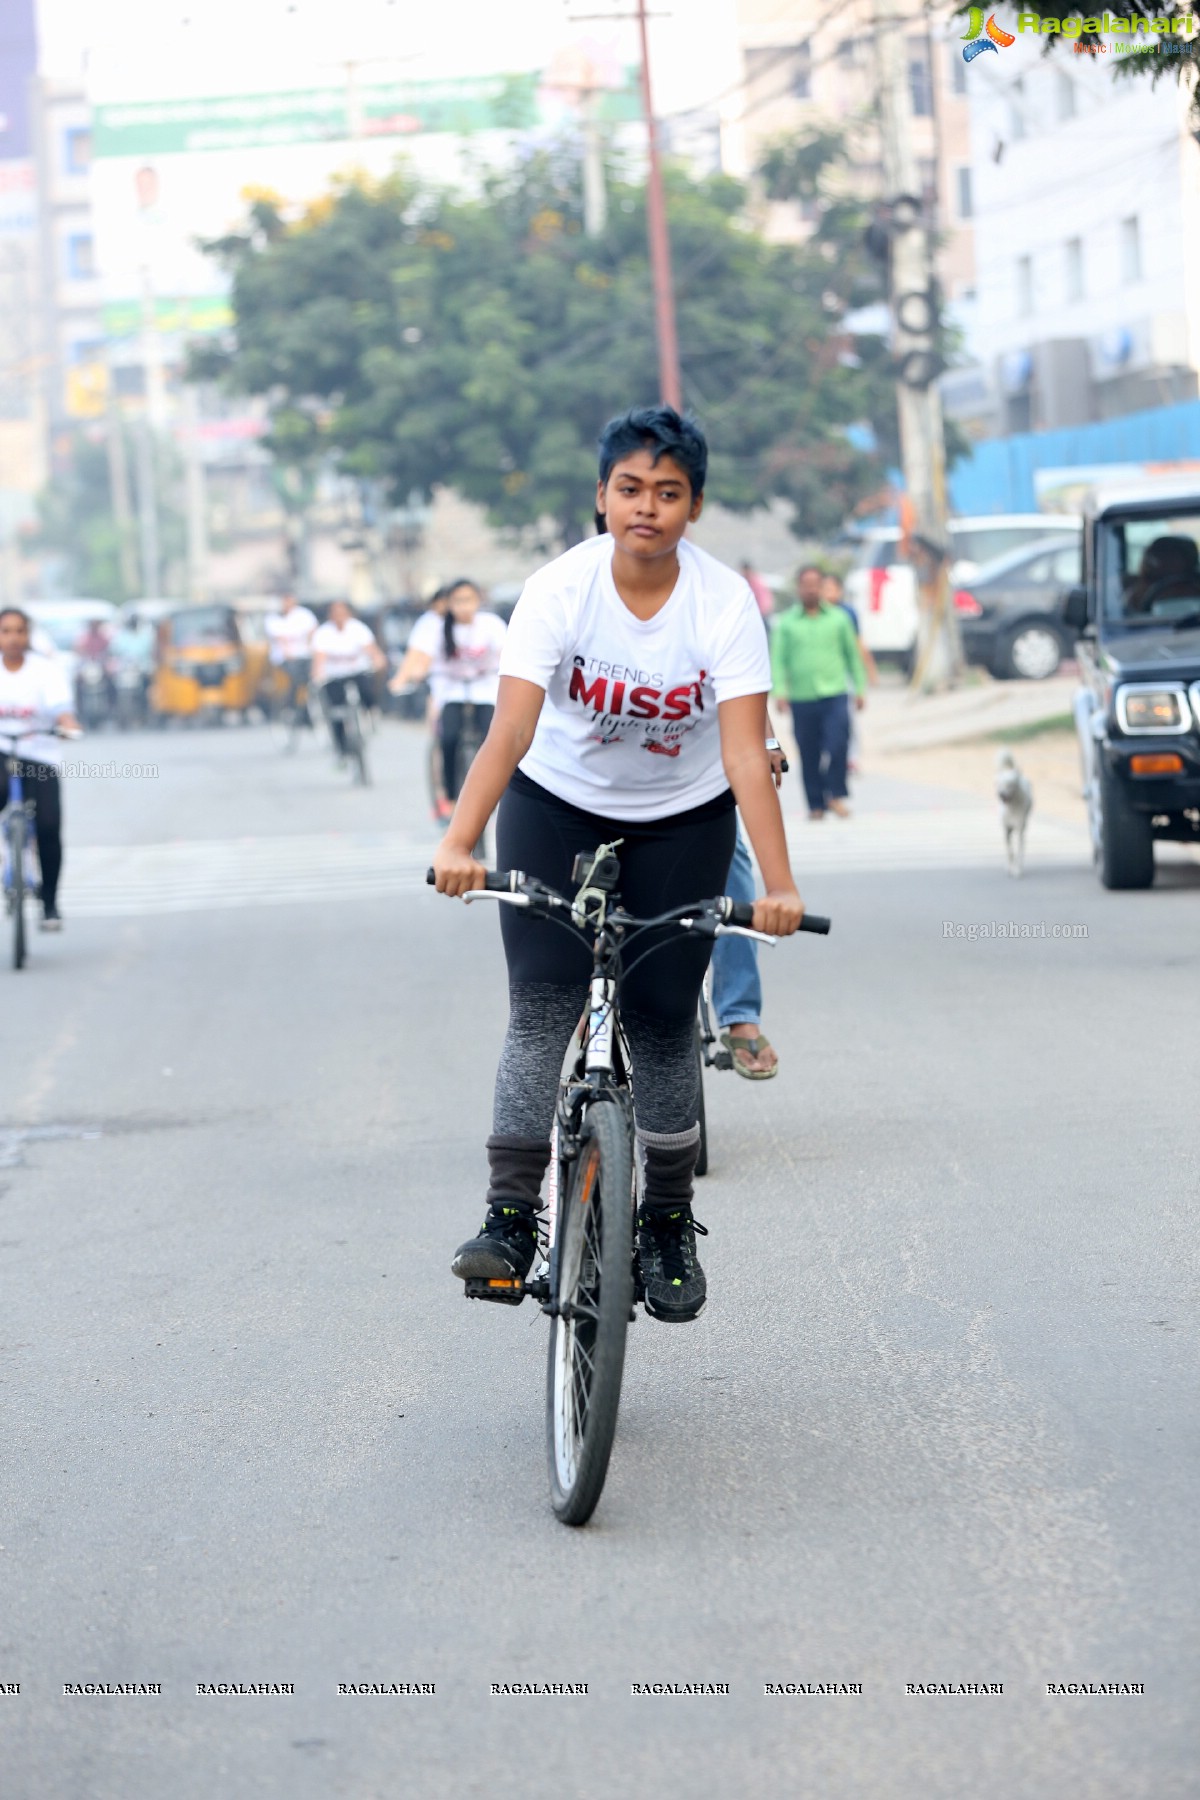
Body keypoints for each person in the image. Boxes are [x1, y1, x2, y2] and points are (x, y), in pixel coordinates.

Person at [432, 404, 806, 1323]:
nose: (647, 508)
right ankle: (512, 1215)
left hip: (684, 822)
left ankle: (666, 1223)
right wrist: (459, 841)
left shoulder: (722, 604)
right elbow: (512, 729)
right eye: (630, 489)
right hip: (552, 808)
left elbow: (742, 753)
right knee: (544, 1006)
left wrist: (781, 883)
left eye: (668, 493)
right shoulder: (559, 591)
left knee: (664, 1018)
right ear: (602, 497)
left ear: (694, 506)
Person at [389, 579, 506, 804]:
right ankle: (452, 797)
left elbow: (506, 653)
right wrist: (408, 676)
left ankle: (494, 791)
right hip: (451, 691)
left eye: (469, 600)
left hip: (486, 689)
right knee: (449, 738)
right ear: (448, 604)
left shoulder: (491, 624)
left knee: (491, 739)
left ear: (478, 601)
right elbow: (420, 656)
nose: (464, 606)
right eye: (458, 601)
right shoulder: (436, 626)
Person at [0, 607, 82, 930]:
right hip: (2, 753)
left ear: (28, 635)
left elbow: (63, 711)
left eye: (20, 631)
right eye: (6, 631)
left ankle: (49, 904)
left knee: (49, 826)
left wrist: (68, 725)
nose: (13, 638)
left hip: (40, 755)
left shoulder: (46, 671)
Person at [772, 565, 866, 821]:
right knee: (809, 752)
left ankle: (835, 794)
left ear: (823, 587)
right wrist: (779, 691)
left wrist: (860, 688)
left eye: (816, 584)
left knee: (838, 745)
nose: (811, 589)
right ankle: (815, 804)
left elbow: (852, 656)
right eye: (806, 584)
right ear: (799, 588)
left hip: (835, 693)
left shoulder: (839, 619)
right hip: (802, 698)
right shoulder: (787, 623)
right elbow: (778, 660)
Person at [310, 601, 386, 759]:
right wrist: (317, 674)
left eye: (342, 612)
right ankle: (342, 750)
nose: (339, 616)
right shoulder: (323, 633)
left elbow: (372, 650)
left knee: (367, 692)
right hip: (334, 676)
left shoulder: (358, 629)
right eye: (335, 612)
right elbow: (319, 659)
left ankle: (370, 715)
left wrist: (378, 660)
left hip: (358, 671)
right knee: (336, 712)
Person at [264, 589, 319, 722]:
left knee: (315, 677)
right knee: (295, 678)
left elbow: (313, 632)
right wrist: (289, 652)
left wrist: (312, 647)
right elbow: (281, 640)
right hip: (285, 658)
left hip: (306, 655)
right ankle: (292, 706)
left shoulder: (304, 615)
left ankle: (311, 704)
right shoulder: (273, 618)